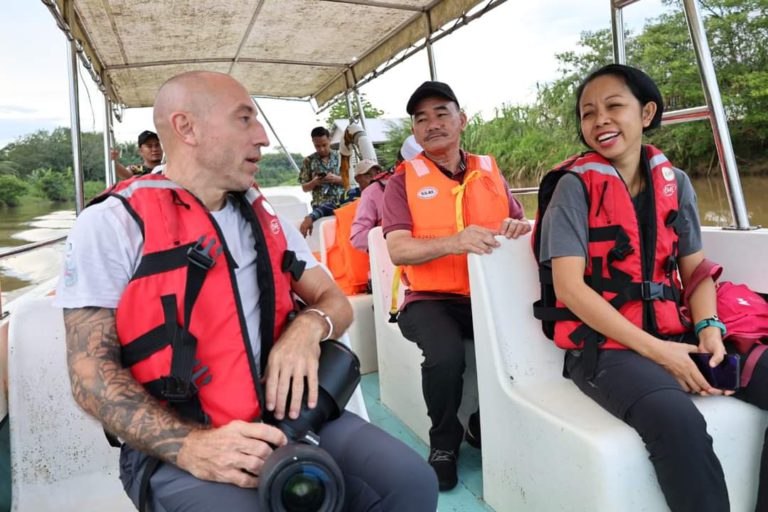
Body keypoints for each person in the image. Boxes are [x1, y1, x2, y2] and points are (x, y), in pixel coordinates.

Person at [55, 70, 437, 512]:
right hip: (179, 440)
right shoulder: (111, 225)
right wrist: (191, 447)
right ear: (187, 128)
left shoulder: (262, 215)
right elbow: (90, 378)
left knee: (411, 483)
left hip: (288, 416)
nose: (262, 137)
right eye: (244, 119)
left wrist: (309, 327)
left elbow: (335, 302)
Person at [531, 64, 768, 512]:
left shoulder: (674, 184)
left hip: (675, 332)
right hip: (602, 350)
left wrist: (709, 329)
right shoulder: (572, 188)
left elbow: (695, 270)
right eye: (588, 113)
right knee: (676, 419)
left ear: (647, 113)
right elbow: (570, 289)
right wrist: (660, 353)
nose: (599, 119)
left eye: (614, 106)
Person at [382, 80, 531, 491]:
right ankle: (444, 443)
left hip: (488, 296)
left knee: (540, 333)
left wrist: (516, 225)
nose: (432, 124)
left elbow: (514, 220)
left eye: (441, 113)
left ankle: (485, 420)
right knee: (446, 354)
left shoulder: (490, 171)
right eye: (421, 119)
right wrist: (456, 241)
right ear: (414, 132)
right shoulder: (401, 183)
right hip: (429, 300)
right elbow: (398, 250)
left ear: (461, 120)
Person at [299, 126, 345, 208]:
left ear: (329, 140)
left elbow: (352, 181)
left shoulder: (341, 157)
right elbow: (304, 188)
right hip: (320, 206)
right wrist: (314, 182)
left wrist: (337, 179)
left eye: (324, 145)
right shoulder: (308, 161)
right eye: (317, 146)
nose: (322, 149)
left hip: (342, 204)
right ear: (313, 142)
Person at [349, 159, 387, 252]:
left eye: (377, 173)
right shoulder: (348, 196)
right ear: (357, 178)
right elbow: (330, 206)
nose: (374, 178)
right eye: (368, 175)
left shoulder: (387, 191)